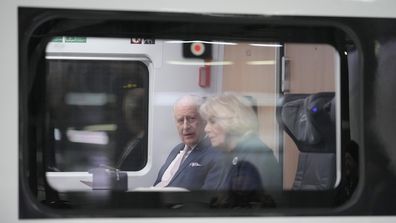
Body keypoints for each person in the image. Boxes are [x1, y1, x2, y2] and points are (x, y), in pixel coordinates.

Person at [199, 94, 281, 192]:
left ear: (233, 120)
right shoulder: (233, 155)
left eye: (213, 121)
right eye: (206, 122)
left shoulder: (255, 156)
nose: (206, 129)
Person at [153, 95, 222, 190]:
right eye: (180, 120)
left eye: (191, 119)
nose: (185, 126)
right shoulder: (177, 149)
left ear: (204, 120)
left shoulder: (214, 153)